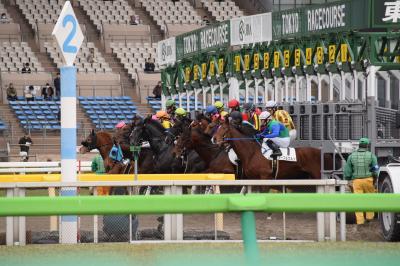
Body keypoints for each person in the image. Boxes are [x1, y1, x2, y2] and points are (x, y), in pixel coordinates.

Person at [344, 138, 379, 225]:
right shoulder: (371, 155)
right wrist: (375, 178)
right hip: (368, 180)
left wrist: (348, 179)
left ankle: (360, 221)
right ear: (367, 146)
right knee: (370, 199)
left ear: (359, 145)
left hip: (357, 181)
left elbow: (347, 171)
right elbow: (376, 168)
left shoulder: (351, 156)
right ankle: (369, 218)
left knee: (358, 201)